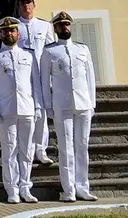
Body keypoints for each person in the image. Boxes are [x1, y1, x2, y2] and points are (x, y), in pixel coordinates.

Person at [41, 11, 98, 202]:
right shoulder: (49, 51)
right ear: (55, 29)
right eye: (61, 25)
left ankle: (83, 186)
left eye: (67, 24)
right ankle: (69, 189)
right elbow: (44, 81)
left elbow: (90, 77)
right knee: (66, 148)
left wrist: (92, 103)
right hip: (62, 104)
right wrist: (47, 105)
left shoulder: (82, 49)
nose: (64, 27)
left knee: (82, 146)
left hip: (83, 103)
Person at [0, 16, 42, 204]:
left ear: (18, 33)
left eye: (12, 30)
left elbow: (35, 83)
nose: (9, 33)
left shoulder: (29, 55)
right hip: (6, 109)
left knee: (27, 150)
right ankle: (12, 189)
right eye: (5, 31)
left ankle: (25, 187)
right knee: (9, 151)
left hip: (27, 107)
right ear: (0, 34)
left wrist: (38, 105)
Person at [15, 0, 56, 165]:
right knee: (26, 114)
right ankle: (28, 149)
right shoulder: (15, 26)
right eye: (23, 3)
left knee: (42, 112)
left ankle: (41, 149)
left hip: (41, 74)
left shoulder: (44, 26)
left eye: (29, 2)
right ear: (19, 6)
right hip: (23, 75)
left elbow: (50, 49)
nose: (26, 6)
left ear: (34, 5)